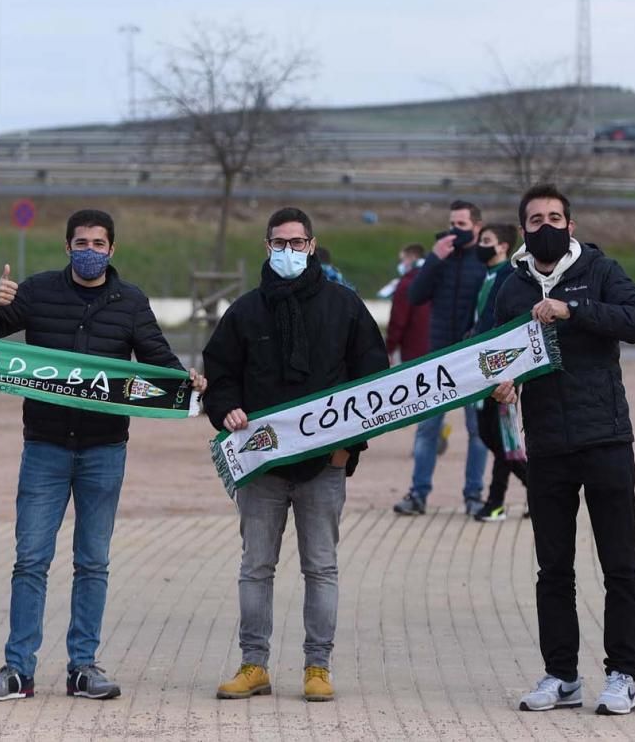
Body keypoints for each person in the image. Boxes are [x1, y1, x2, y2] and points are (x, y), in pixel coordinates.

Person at [0, 208, 206, 702]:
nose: (89, 251)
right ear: (66, 246)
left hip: (104, 449)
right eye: (81, 243)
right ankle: (17, 671)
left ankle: (84, 668)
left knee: (92, 562)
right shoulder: (36, 291)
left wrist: (187, 381)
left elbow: (157, 358)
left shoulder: (130, 301)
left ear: (112, 249)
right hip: (45, 447)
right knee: (30, 559)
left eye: (98, 243)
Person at [203, 207, 388, 703]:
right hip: (261, 469)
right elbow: (218, 376)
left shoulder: (345, 307)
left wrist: (347, 448)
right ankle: (253, 664)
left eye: (298, 242)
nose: (289, 251)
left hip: (324, 468)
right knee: (255, 567)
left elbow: (374, 382)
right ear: (267, 247)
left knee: (321, 568)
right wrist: (227, 411)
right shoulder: (244, 312)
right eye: (279, 243)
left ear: (312, 244)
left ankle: (317, 668)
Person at [492, 184, 635, 715]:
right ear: (523, 230)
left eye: (555, 217)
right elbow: (490, 353)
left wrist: (573, 310)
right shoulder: (510, 286)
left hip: (606, 438)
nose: (546, 226)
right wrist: (501, 381)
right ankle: (561, 676)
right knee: (553, 569)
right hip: (548, 446)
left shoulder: (602, 272)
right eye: (535, 219)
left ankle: (622, 674)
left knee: (619, 565)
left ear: (572, 224)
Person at [393, 200, 489, 516]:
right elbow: (416, 295)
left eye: (461, 225)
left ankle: (474, 495)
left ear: (476, 226)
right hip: (438, 358)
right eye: (452, 223)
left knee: (478, 432)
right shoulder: (440, 260)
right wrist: (434, 259)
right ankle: (418, 494)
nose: (455, 230)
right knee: (427, 429)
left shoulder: (485, 260)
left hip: (474, 359)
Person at [469, 223, 529, 522]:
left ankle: (507, 497)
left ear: (503, 246)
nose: (481, 244)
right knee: (491, 436)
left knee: (498, 438)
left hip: (499, 370)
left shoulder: (508, 276)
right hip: (481, 367)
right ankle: (506, 499)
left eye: (487, 240)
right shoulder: (488, 276)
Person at [384, 243, 430, 365]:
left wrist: (389, 348)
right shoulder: (435, 277)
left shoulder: (406, 283)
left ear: (412, 258)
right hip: (438, 346)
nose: (401, 264)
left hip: (413, 349)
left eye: (403, 259)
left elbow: (398, 320)